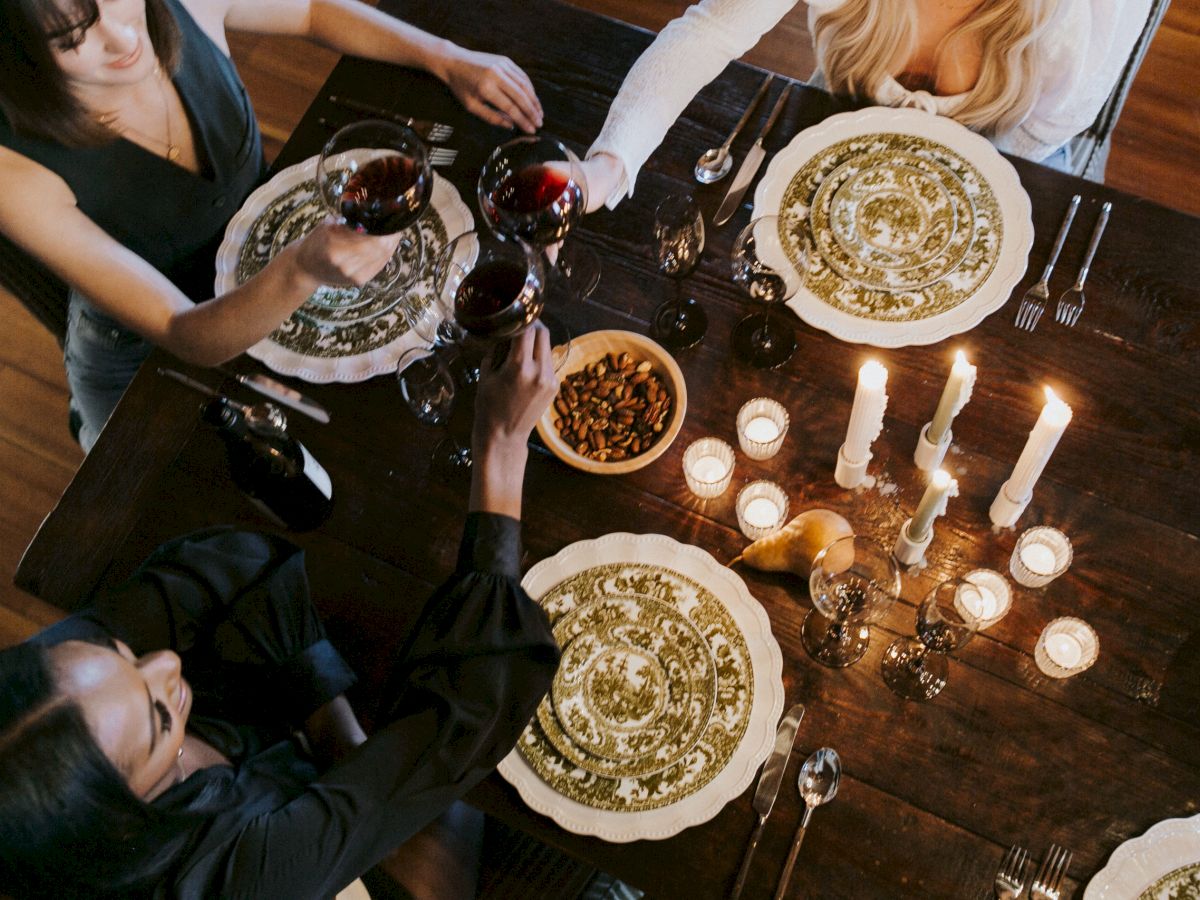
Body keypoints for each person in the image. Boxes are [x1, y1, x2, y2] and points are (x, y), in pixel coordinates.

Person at [0, 324, 562, 900]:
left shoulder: (40, 714)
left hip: (304, 776)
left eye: (122, 652)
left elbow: (226, 568)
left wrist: (331, 726)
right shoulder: (241, 879)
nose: (165, 662)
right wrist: (501, 446)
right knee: (477, 809)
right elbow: (467, 708)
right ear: (125, 825)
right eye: (159, 718)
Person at [0, 0, 545, 450]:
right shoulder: (13, 172)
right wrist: (302, 268)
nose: (123, 38)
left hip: (277, 267)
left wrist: (445, 58)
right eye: (72, 39)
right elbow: (181, 333)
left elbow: (309, 11)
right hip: (153, 358)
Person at [579, 0, 1152, 209]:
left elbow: (1042, 135)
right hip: (834, 134)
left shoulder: (1077, 21)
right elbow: (705, 34)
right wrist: (609, 164)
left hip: (996, 171)